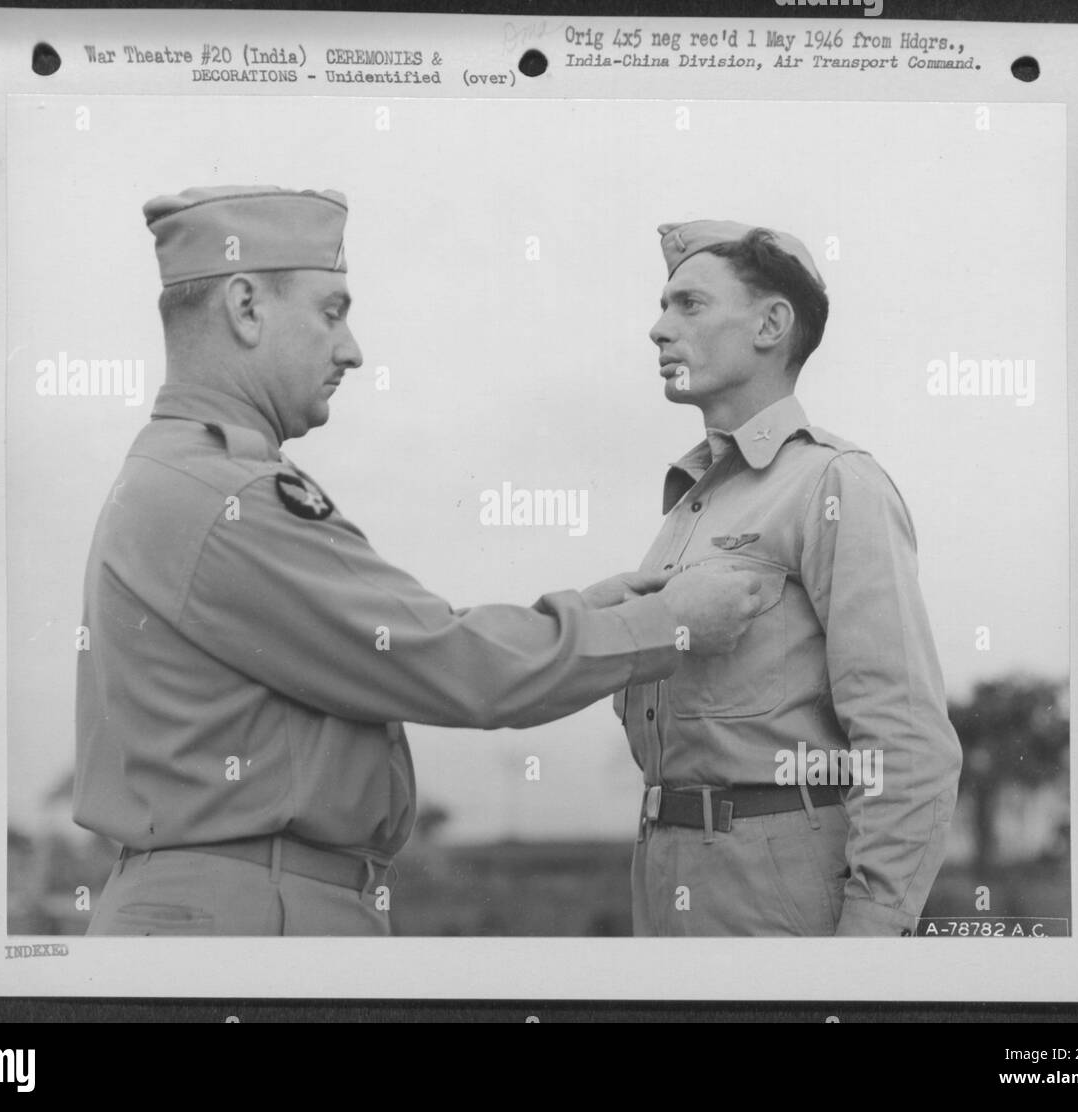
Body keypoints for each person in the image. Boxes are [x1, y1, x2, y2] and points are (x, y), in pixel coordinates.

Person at [73, 185, 762, 937]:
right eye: (331, 311)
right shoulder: (225, 493)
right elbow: (448, 661)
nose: (352, 349)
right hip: (247, 918)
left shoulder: (186, 477)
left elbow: (406, 636)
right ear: (245, 307)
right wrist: (668, 624)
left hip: (234, 908)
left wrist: (599, 609)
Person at [618, 219, 962, 937]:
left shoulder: (834, 482)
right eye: (662, 306)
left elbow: (904, 738)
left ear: (772, 324)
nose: (658, 329)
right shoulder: (688, 501)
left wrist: (871, 935)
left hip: (775, 884)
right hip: (663, 870)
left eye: (689, 305)